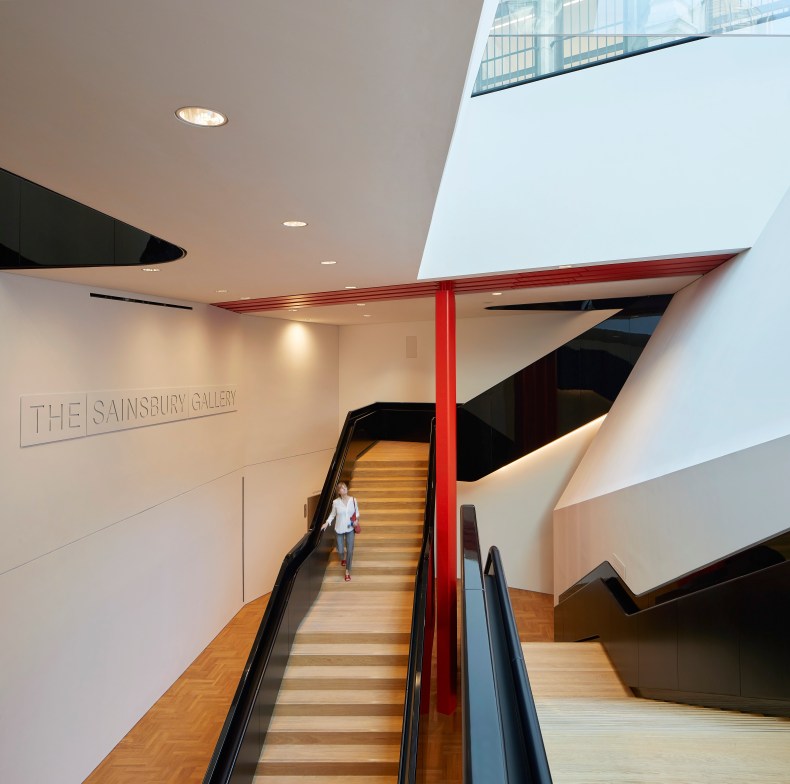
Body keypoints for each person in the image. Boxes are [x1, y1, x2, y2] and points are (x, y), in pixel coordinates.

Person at [321, 481, 359, 582]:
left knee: (350, 550)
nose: (344, 488)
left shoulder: (353, 500)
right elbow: (332, 515)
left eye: (345, 487)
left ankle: (347, 571)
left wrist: (356, 521)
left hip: (350, 529)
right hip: (339, 529)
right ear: (339, 491)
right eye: (342, 488)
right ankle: (342, 558)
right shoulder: (335, 502)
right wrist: (326, 523)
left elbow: (357, 514)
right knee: (341, 550)